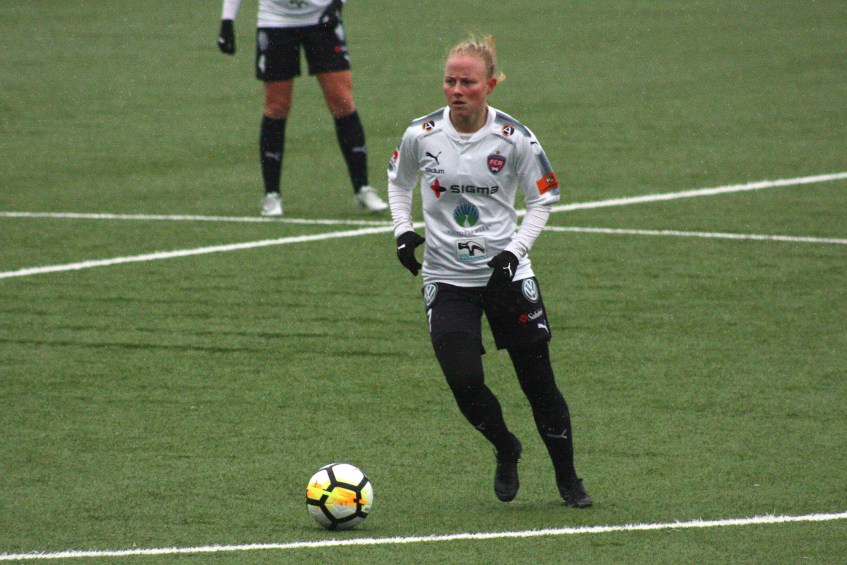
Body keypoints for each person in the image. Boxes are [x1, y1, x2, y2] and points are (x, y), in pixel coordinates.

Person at [387, 35, 592, 507]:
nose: (457, 91)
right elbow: (399, 183)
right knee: (464, 382)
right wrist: (402, 231)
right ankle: (505, 446)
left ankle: (568, 479)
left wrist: (514, 252)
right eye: (449, 81)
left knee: (538, 385)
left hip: (507, 278)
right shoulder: (420, 134)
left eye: (468, 82)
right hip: (446, 278)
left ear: (491, 85)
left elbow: (543, 199)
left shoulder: (515, 138)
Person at [216, 0, 388, 216]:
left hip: (322, 17)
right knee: (276, 106)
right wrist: (227, 20)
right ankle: (271, 195)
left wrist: (338, 3)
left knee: (342, 101)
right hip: (276, 20)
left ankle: (362, 188)